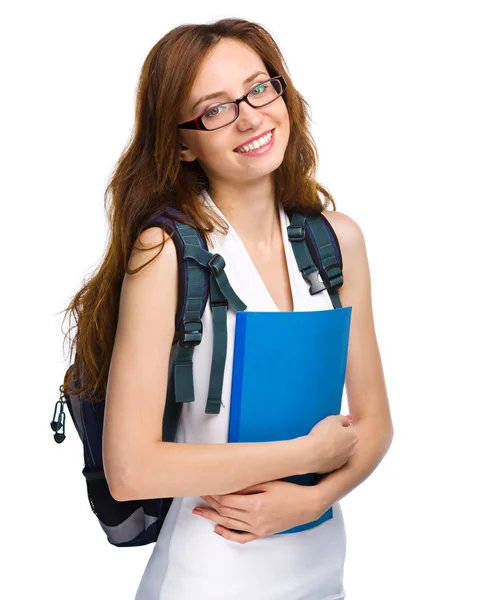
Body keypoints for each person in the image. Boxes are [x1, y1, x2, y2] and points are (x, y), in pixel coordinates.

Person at [61, 17, 393, 600]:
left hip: (320, 572)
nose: (250, 116)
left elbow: (375, 425)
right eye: (215, 109)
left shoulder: (337, 242)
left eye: (259, 88)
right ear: (182, 142)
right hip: (206, 577)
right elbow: (131, 467)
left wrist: (310, 498)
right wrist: (303, 455)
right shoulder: (165, 252)